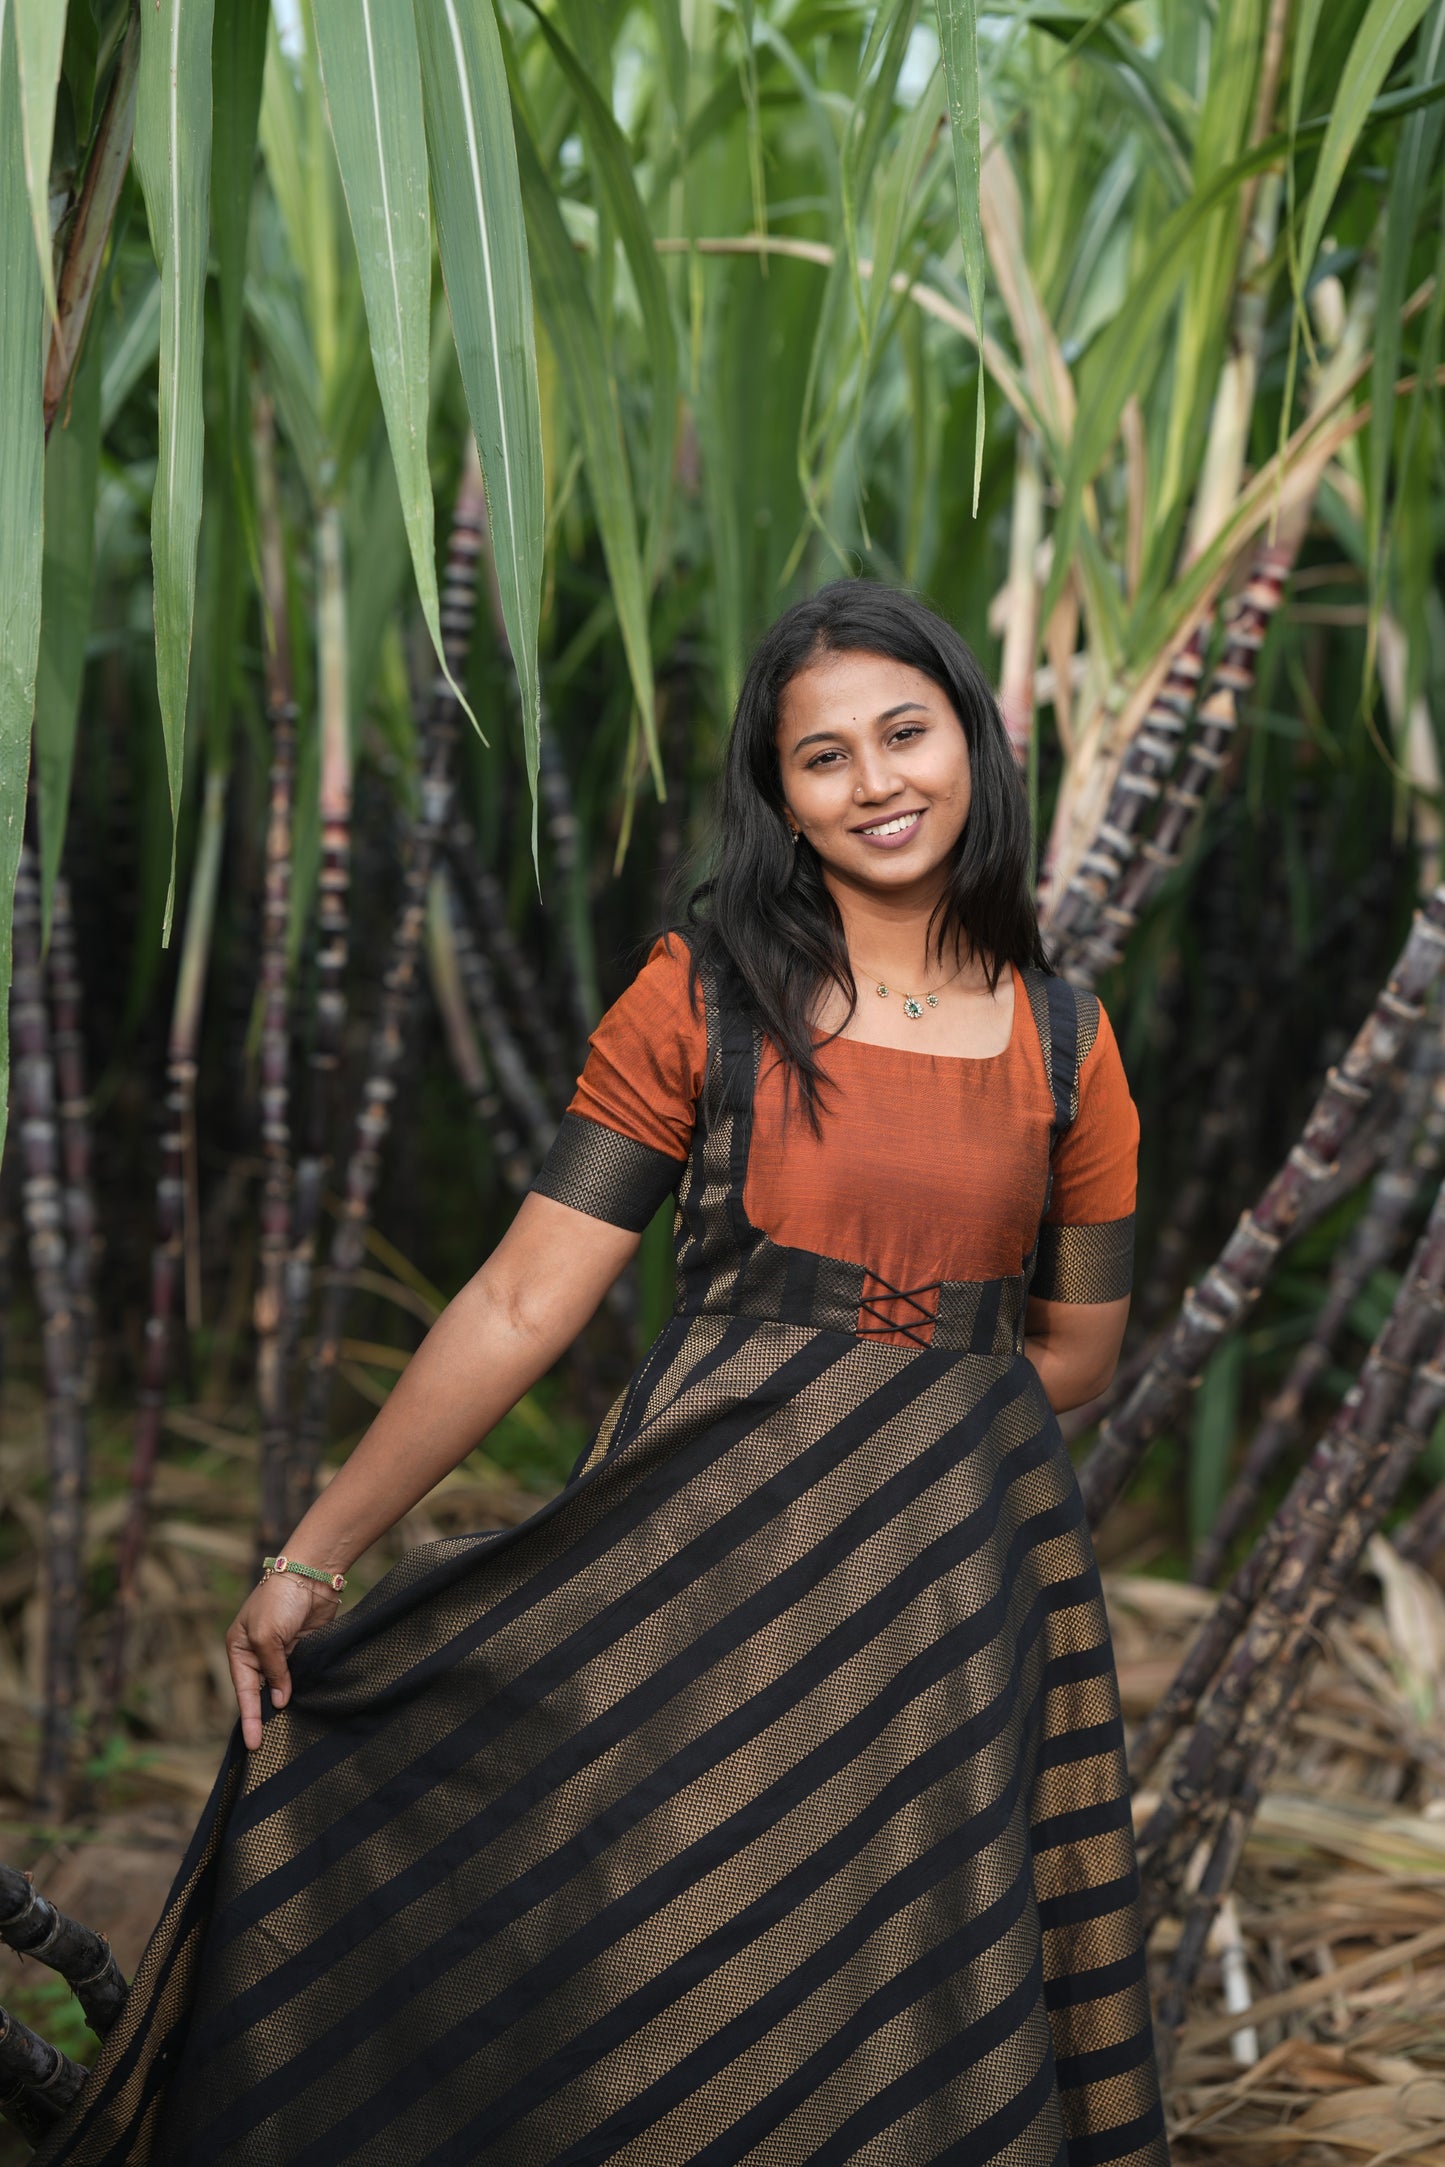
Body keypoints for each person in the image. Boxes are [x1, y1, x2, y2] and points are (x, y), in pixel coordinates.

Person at [43, 580, 1168, 2166]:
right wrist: (314, 1551)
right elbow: (520, 1298)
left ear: (971, 741)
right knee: (645, 1935)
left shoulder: (1067, 1044)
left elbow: (1074, 1356)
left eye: (905, 734)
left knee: (904, 1971)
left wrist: (883, 1450)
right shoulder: (703, 995)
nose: (876, 781)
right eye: (823, 756)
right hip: (688, 1576)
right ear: (779, 797)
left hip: (948, 1612)